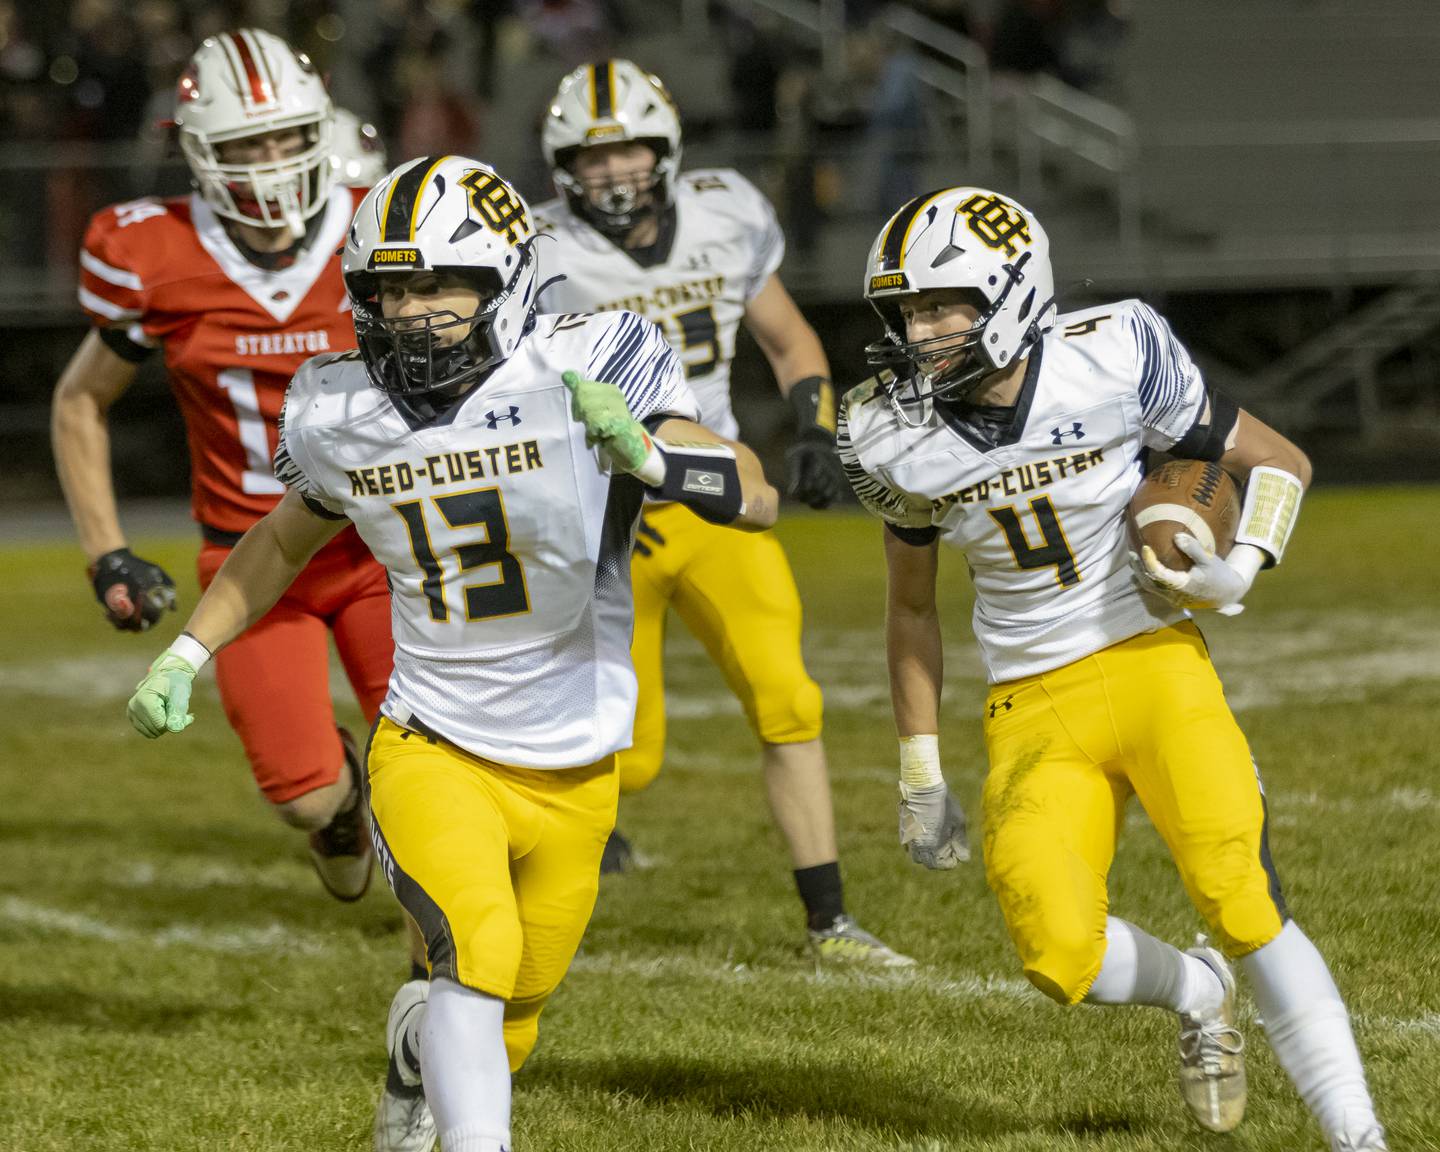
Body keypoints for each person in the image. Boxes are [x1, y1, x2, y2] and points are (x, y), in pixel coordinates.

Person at [123, 155, 779, 1152]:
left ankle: (412, 1051)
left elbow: (758, 492)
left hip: (578, 756)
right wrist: (188, 650)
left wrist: (652, 458)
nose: (413, 310)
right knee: (475, 949)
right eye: (389, 289)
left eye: (439, 284)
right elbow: (278, 542)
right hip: (434, 742)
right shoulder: (342, 406)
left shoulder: (587, 360)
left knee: (515, 1005)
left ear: (507, 279)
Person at [838, 185, 1388, 1151]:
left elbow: (1281, 462)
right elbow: (912, 605)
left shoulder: (1115, 350)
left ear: (1008, 296)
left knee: (1242, 896)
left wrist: (1236, 564)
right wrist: (919, 765)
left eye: (937, 306)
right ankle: (1196, 989)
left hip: (1149, 659)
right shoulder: (886, 431)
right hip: (1030, 701)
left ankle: (1360, 1136)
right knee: (1057, 953)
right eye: (905, 312)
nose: (916, 333)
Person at [533, 58, 911, 968]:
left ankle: (830, 922)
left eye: (628, 152)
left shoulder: (725, 212)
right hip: (608, 523)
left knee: (789, 699)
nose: (613, 172)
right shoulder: (535, 252)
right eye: (592, 158)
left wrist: (817, 427)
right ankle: (513, 879)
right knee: (636, 754)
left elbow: (787, 339)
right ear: (561, 169)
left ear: (664, 154)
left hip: (713, 500)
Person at [52, 28, 397, 912]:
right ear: (203, 152)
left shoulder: (381, 226)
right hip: (247, 560)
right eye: (248, 143)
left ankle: (439, 1002)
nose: (273, 161)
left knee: (431, 774)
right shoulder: (153, 252)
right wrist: (107, 552)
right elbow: (80, 401)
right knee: (304, 796)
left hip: (381, 553)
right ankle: (344, 805)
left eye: (287, 136)